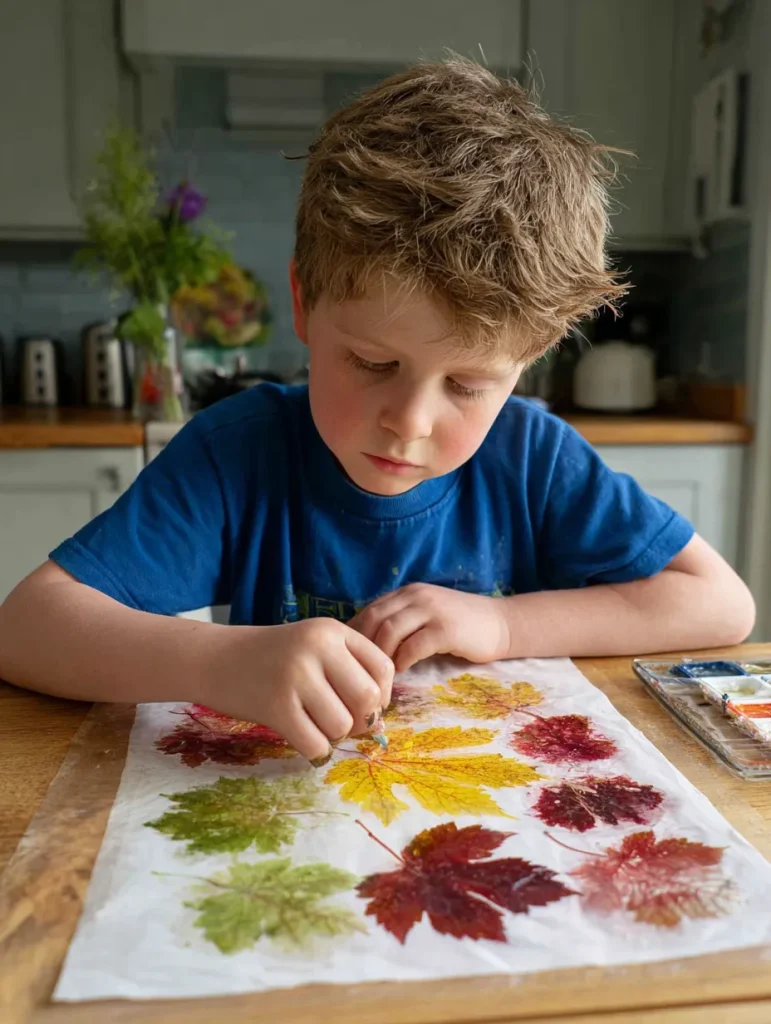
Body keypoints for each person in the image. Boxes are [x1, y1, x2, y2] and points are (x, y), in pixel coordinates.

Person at [0, 59, 754, 766]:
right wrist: (225, 663)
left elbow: (719, 605)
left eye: (466, 384)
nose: (410, 421)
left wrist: (501, 625)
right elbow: (26, 628)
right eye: (372, 364)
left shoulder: (534, 461)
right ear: (303, 303)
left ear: (531, 357)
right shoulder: (240, 455)